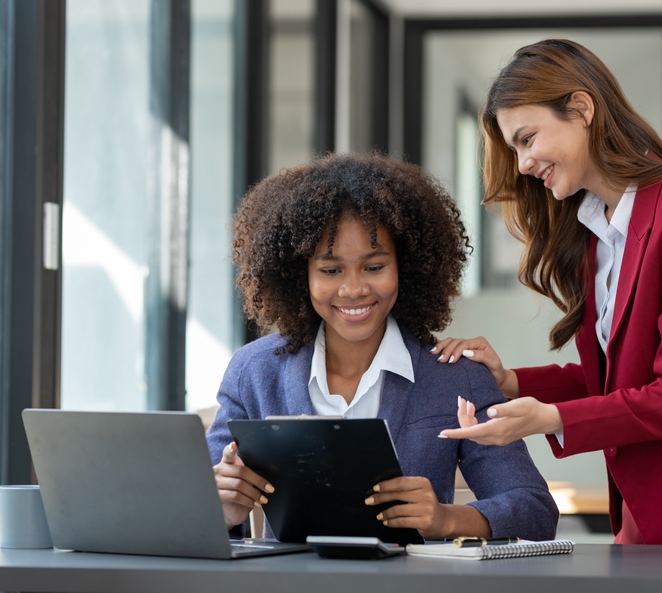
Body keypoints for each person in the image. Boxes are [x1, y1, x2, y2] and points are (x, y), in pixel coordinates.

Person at [432, 39, 662, 592]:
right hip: (651, 508)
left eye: (527, 139)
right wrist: (509, 383)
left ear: (581, 108)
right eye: (515, 149)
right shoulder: (596, 233)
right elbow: (614, 380)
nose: (524, 163)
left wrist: (549, 420)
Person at [205, 154, 558, 542]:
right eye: (330, 270)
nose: (354, 289)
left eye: (374, 268)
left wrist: (445, 518)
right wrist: (222, 510)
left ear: (405, 267)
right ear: (297, 275)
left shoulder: (456, 375)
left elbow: (535, 510)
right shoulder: (254, 371)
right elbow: (191, 512)